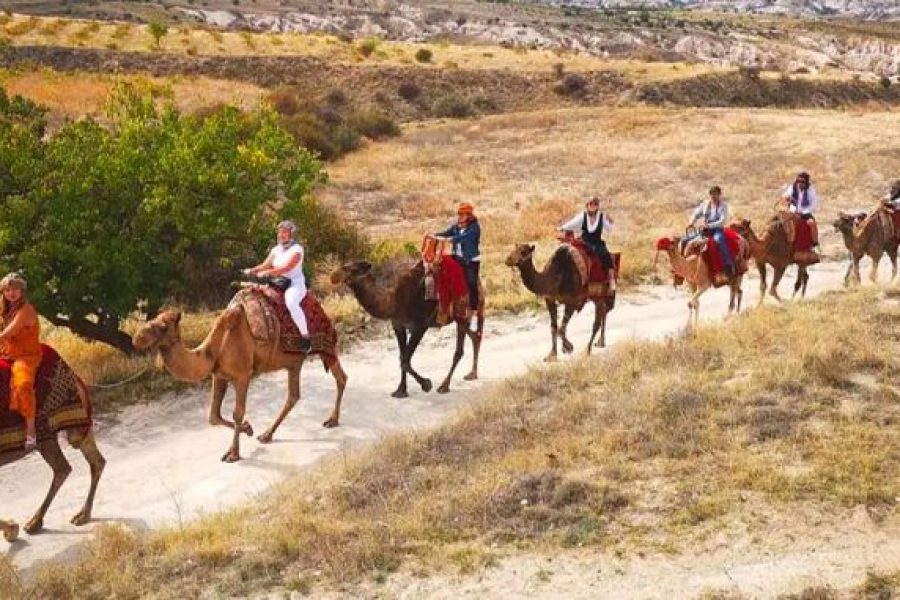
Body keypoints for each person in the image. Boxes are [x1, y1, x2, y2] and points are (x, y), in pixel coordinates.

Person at [244, 220, 311, 353]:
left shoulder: (297, 249)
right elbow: (265, 265)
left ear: (291, 234)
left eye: (285, 232)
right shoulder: (276, 249)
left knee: (291, 302)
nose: (281, 235)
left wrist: (268, 273)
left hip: (293, 284)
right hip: (277, 282)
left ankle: (305, 338)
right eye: (280, 232)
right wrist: (252, 270)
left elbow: (287, 268)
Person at [0, 273, 42, 452]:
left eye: (15, 289)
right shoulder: (4, 309)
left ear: (22, 291)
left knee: (23, 384)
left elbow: (8, 333)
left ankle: (31, 432)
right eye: (7, 290)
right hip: (6, 353)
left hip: (26, 356)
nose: (11, 293)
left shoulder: (26, 310)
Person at [559, 196, 616, 291]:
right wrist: (563, 228)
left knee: (605, 254)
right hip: (585, 241)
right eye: (591, 204)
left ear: (597, 206)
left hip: (597, 242)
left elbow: (609, 229)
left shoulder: (601, 217)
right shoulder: (583, 216)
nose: (593, 206)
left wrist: (610, 221)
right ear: (587, 205)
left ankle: (611, 279)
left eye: (595, 204)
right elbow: (572, 223)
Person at [434, 202, 481, 310]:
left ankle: (474, 305)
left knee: (471, 281)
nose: (459, 217)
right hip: (457, 258)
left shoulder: (474, 228)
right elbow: (446, 233)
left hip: (470, 261)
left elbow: (465, 237)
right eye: (459, 214)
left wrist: (451, 239)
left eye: (462, 214)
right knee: (442, 268)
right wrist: (434, 235)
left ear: (468, 216)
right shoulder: (456, 227)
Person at [688, 185, 734, 277]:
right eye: (712, 194)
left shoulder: (723, 206)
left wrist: (709, 225)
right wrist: (691, 222)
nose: (713, 196)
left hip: (717, 228)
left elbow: (722, 220)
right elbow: (696, 213)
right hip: (704, 229)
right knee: (689, 240)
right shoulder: (705, 204)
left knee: (719, 240)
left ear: (719, 195)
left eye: (716, 194)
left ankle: (728, 264)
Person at [781, 171, 819, 247]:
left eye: (802, 181)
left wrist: (802, 212)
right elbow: (785, 195)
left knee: (812, 224)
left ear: (806, 182)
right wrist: (786, 197)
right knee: (782, 222)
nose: (800, 183)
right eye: (798, 181)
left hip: (805, 213)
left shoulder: (810, 190)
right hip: (792, 212)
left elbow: (813, 204)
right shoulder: (793, 187)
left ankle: (814, 243)